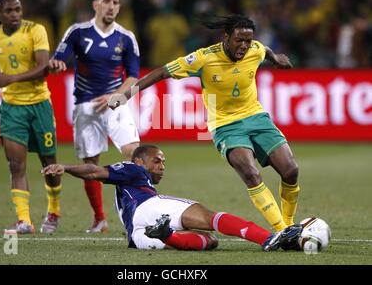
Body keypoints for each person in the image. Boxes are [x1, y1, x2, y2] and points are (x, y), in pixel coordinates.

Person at [109, 14, 300, 232]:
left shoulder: (254, 49)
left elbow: (264, 49)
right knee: (251, 173)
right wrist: (126, 95)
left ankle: (289, 223)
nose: (245, 46)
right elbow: (162, 72)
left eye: (248, 41)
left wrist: (276, 58)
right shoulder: (203, 58)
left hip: (256, 117)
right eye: (239, 40)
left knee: (291, 170)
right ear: (226, 37)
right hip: (226, 125)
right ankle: (282, 229)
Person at [42, 145, 302, 251]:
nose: (162, 166)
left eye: (164, 162)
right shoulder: (132, 169)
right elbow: (94, 171)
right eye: (157, 161)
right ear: (139, 161)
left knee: (209, 243)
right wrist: (65, 167)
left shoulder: (131, 178)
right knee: (210, 218)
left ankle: (166, 235)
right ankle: (268, 238)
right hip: (149, 208)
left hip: (138, 236)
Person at [49, 0, 140, 233]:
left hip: (115, 103)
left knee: (134, 155)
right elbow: (60, 57)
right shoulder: (78, 32)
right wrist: (57, 63)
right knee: (91, 163)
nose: (111, 6)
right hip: (86, 107)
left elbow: (134, 79)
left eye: (116, 3)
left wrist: (116, 96)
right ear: (95, 4)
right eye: (107, 1)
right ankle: (100, 219)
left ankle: (140, 213)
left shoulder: (126, 37)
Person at [0, 0, 62, 234]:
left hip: (39, 105)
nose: (15, 14)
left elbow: (43, 68)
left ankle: (53, 210)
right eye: (9, 11)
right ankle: (24, 220)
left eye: (18, 9)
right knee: (16, 166)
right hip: (12, 108)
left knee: (49, 163)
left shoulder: (36, 30)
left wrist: (12, 78)